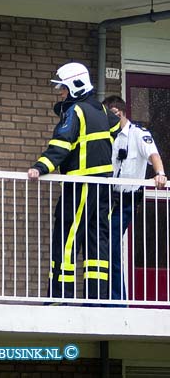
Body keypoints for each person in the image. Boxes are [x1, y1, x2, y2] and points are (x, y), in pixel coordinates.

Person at [27, 62, 120, 301]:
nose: (60, 93)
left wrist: (40, 167)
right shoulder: (101, 109)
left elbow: (61, 145)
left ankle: (60, 296)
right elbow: (116, 125)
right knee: (97, 240)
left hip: (80, 185)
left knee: (67, 238)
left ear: (76, 86)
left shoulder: (75, 111)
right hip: (104, 187)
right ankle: (96, 298)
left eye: (63, 89)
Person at [102, 95, 167, 301]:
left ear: (117, 113)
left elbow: (153, 155)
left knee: (111, 243)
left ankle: (117, 299)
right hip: (107, 198)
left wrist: (160, 174)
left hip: (127, 200)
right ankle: (106, 297)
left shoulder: (138, 134)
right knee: (103, 244)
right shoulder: (108, 135)